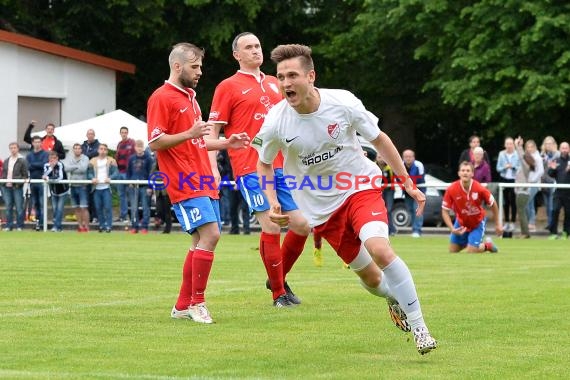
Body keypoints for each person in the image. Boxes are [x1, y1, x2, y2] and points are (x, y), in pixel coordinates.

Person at [254, 44, 437, 354]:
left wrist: (407, 182)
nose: (285, 83)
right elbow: (264, 162)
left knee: (379, 248)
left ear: (311, 76)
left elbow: (380, 140)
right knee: (370, 278)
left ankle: (421, 328)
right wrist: (272, 199)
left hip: (359, 187)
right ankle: (394, 299)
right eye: (281, 77)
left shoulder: (343, 103)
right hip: (322, 211)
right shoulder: (276, 121)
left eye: (292, 75)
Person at [147, 42, 250, 324]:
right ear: (177, 66)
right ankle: (197, 302)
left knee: (199, 240)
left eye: (200, 66)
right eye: (195, 67)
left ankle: (182, 305)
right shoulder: (162, 97)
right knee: (211, 235)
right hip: (183, 179)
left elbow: (198, 141)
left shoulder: (190, 97)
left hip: (201, 176)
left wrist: (227, 142)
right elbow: (155, 142)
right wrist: (189, 133)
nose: (200, 72)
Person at [207, 32, 310, 307]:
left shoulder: (278, 82)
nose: (255, 51)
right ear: (236, 56)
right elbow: (212, 131)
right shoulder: (227, 86)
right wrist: (213, 167)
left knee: (301, 225)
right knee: (272, 226)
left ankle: (276, 277)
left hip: (282, 167)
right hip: (249, 167)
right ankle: (279, 294)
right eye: (248, 47)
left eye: (257, 46)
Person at [442, 161, 502, 252]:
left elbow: (493, 203)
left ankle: (487, 246)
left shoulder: (480, 188)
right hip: (461, 222)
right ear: (459, 173)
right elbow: (444, 210)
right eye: (463, 170)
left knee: (471, 251)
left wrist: (497, 224)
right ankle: (471, 243)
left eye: (468, 170)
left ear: (472, 174)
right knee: (453, 250)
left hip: (477, 222)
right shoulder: (451, 189)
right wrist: (452, 228)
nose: (465, 172)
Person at [217, 149, 250, 235]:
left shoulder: (244, 151)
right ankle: (235, 229)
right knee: (232, 207)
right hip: (231, 182)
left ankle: (246, 229)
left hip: (243, 181)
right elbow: (224, 166)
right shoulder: (225, 151)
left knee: (245, 207)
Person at [87, 144, 118, 233]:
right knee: (98, 208)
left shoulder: (111, 161)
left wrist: (110, 178)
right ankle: (101, 225)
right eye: (101, 149)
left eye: (105, 149)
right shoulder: (92, 161)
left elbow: (116, 172)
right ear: (98, 150)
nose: (103, 151)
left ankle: (108, 226)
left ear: (107, 151)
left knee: (108, 207)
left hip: (107, 188)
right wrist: (92, 178)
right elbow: (88, 173)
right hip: (96, 188)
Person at [127, 140, 154, 234]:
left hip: (145, 186)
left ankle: (145, 227)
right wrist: (129, 182)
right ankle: (134, 226)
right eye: (137, 146)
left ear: (143, 147)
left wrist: (150, 187)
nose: (139, 148)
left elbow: (151, 173)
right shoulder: (131, 158)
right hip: (133, 186)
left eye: (141, 146)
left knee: (146, 207)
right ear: (135, 147)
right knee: (134, 207)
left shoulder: (148, 158)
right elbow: (128, 172)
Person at [1, 142, 29, 231]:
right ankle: (9, 225)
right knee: (8, 206)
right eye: (11, 148)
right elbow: (4, 173)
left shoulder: (22, 160)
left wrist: (20, 181)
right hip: (6, 186)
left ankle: (19, 226)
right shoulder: (6, 160)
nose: (13, 150)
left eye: (14, 148)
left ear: (18, 149)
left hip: (17, 187)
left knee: (19, 207)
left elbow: (25, 174)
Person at [65, 143, 90, 232]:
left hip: (82, 186)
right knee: (76, 208)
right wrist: (76, 166)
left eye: (78, 148)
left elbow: (83, 169)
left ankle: (86, 227)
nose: (77, 150)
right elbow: (66, 168)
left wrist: (72, 167)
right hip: (73, 186)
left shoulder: (85, 158)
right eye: (75, 148)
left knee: (84, 207)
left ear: (81, 150)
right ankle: (80, 226)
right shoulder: (70, 158)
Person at [547, 141, 570, 240]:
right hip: (558, 191)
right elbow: (550, 174)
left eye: (566, 148)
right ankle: (553, 233)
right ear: (560, 149)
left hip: (569, 192)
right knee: (555, 210)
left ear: (569, 149)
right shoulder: (556, 160)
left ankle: (566, 232)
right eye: (562, 148)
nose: (564, 150)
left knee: (568, 213)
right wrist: (552, 169)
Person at [26, 136, 49, 231]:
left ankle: (43, 224)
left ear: (41, 143)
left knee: (42, 203)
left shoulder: (45, 153)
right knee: (35, 204)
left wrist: (33, 164)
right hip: (33, 181)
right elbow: (28, 166)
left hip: (42, 181)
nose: (37, 144)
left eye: (39, 142)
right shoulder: (29, 155)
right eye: (35, 142)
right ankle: (38, 223)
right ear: (32, 143)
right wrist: (36, 164)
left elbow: (44, 164)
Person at [43, 150, 70, 232]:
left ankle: (56, 226)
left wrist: (49, 179)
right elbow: (44, 175)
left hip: (63, 191)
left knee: (59, 209)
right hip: (53, 191)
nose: (52, 160)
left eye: (54, 158)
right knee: (55, 209)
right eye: (51, 158)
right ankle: (58, 226)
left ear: (57, 158)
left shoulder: (60, 165)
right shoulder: (46, 165)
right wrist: (51, 168)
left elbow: (60, 177)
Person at [496, 137, 520, 232]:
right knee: (505, 202)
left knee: (513, 201)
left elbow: (520, 167)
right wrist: (505, 167)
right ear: (505, 145)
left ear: (513, 145)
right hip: (504, 179)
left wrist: (513, 166)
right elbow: (498, 168)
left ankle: (513, 222)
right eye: (507, 144)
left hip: (514, 180)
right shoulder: (501, 154)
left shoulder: (517, 154)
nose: (509, 146)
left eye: (511, 144)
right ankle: (506, 222)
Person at [521, 139, 543, 232]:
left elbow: (541, 171)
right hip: (526, 183)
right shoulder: (526, 156)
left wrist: (532, 181)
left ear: (535, 147)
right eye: (528, 147)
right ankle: (531, 222)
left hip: (534, 184)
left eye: (531, 147)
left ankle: (531, 222)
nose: (529, 149)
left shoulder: (538, 157)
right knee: (530, 203)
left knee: (527, 202)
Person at [402, 149, 425, 238]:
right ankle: (414, 228)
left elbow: (419, 179)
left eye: (410, 156)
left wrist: (407, 181)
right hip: (407, 191)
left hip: (419, 190)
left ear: (413, 157)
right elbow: (397, 178)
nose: (408, 158)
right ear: (403, 158)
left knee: (417, 209)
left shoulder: (419, 165)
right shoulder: (400, 164)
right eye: (406, 157)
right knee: (410, 210)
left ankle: (417, 230)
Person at [115, 126, 136, 223]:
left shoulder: (132, 143)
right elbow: (117, 158)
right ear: (120, 133)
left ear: (127, 133)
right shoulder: (119, 144)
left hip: (129, 173)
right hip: (120, 172)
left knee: (131, 196)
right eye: (122, 132)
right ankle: (123, 216)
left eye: (125, 132)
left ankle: (133, 218)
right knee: (121, 196)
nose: (124, 134)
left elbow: (135, 159)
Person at [540, 136, 559, 230]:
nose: (548, 145)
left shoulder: (557, 155)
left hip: (552, 182)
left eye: (550, 143)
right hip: (544, 183)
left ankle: (552, 224)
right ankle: (549, 223)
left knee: (552, 205)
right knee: (547, 205)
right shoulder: (542, 155)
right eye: (546, 143)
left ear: (554, 144)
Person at [152, 161, 172, 234]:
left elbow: (169, 176)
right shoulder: (155, 165)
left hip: (167, 193)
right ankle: (161, 222)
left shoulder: (168, 164)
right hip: (158, 192)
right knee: (159, 209)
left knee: (167, 211)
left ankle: (168, 228)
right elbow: (152, 176)